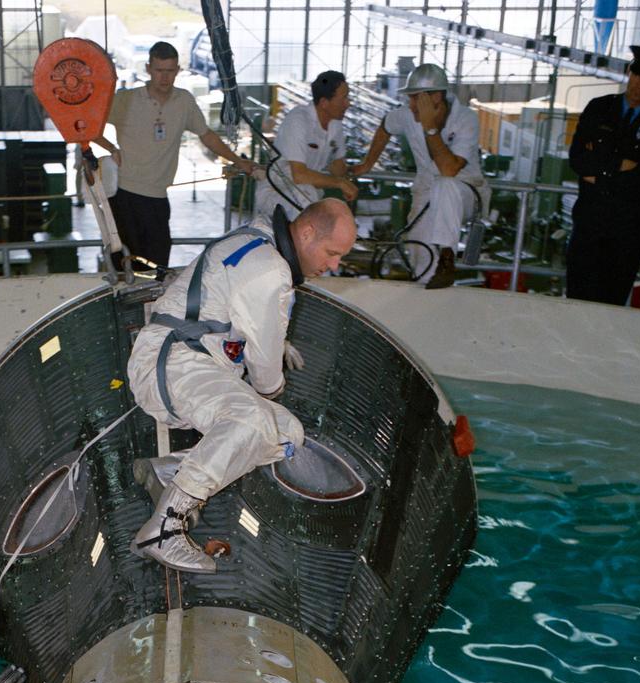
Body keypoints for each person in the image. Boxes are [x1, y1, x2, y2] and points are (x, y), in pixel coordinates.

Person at [127, 198, 358, 573]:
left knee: (287, 433)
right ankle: (164, 530)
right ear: (307, 232)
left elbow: (235, 304)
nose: (333, 266)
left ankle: (171, 472)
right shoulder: (270, 268)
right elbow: (265, 369)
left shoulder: (261, 245)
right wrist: (269, 391)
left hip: (195, 362)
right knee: (253, 421)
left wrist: (272, 343)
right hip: (171, 363)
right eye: (332, 253)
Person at [91, 41, 257, 275]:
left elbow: (207, 135)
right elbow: (88, 125)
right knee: (124, 269)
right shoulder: (126, 100)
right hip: (124, 197)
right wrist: (110, 148)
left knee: (158, 268)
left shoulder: (184, 101)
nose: (164, 77)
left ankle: (151, 311)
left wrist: (239, 161)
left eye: (170, 71)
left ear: (178, 70)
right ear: (148, 69)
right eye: (159, 70)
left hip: (158, 198)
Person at [352, 63, 487, 290]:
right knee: (419, 249)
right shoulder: (407, 115)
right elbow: (386, 125)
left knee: (446, 184)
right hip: (426, 191)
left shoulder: (466, 119)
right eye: (410, 98)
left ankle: (446, 258)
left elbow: (449, 169)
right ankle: (427, 287)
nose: (411, 105)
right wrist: (368, 163)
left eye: (416, 98)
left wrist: (430, 128)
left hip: (466, 190)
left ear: (436, 96)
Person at [566, 45, 640, 305]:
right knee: (575, 297)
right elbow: (578, 160)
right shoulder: (598, 108)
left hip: (626, 229)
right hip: (589, 221)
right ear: (629, 71)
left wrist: (599, 169)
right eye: (637, 74)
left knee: (609, 304)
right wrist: (620, 165)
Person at [254, 70, 359, 222]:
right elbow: (299, 175)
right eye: (344, 98)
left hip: (307, 195)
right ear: (324, 103)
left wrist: (349, 174)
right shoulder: (298, 120)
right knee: (308, 201)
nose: (348, 103)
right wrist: (339, 183)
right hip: (278, 193)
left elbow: (338, 167)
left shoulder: (335, 125)